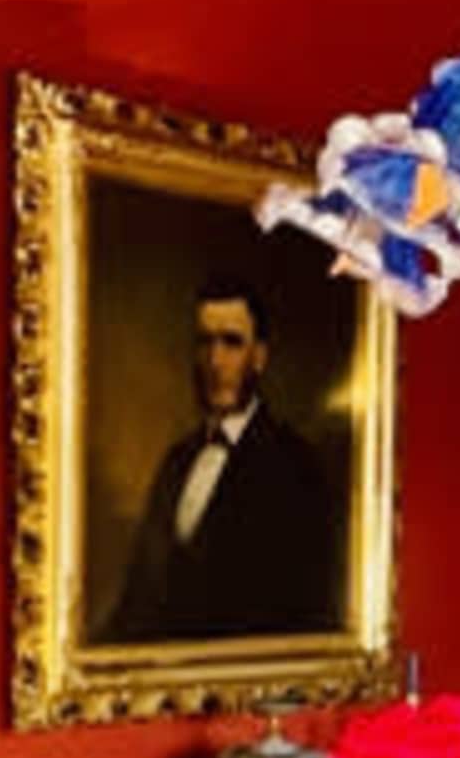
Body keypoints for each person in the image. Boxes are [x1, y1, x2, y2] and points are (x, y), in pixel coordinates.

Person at [105, 261, 348, 643]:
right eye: (205, 342)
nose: (215, 362)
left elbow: (305, 612)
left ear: (259, 357)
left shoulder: (295, 466)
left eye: (232, 343)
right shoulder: (176, 461)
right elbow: (139, 596)